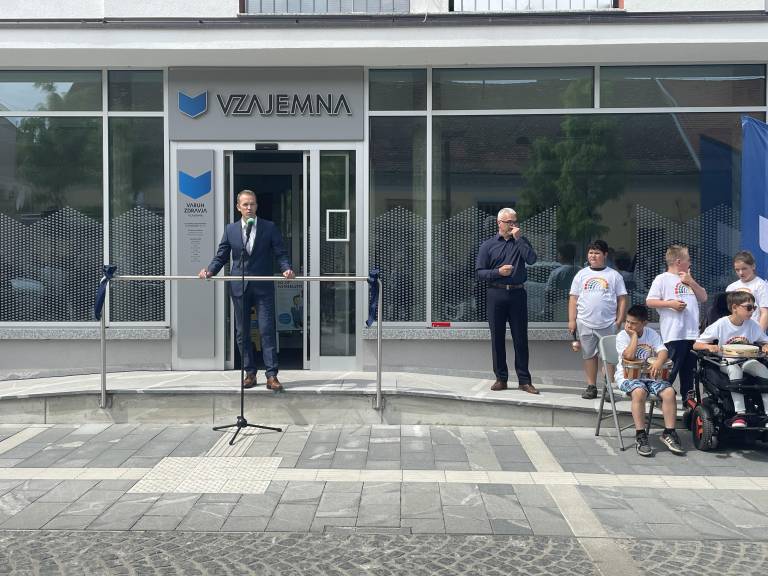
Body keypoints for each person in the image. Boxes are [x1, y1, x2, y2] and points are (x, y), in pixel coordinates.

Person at [199, 189, 294, 391]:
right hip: (239, 286)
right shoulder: (231, 229)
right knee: (242, 332)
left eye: (252, 204)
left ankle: (271, 375)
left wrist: (286, 268)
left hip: (263, 287)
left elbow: (280, 253)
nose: (249, 207)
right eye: (245, 204)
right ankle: (250, 373)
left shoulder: (269, 227)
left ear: (257, 206)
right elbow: (221, 256)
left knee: (267, 330)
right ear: (238, 207)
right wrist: (210, 271)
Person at [476, 207, 539, 394]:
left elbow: (532, 259)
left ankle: (524, 380)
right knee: (497, 337)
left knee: (520, 337)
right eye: (509, 222)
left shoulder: (521, 241)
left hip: (517, 293)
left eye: (515, 221)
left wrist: (519, 239)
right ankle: (501, 378)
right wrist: (498, 272)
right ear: (499, 223)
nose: (513, 225)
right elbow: (479, 272)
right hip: (496, 293)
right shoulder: (488, 245)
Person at [616, 304, 685, 457]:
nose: (629, 325)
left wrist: (659, 362)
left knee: (669, 392)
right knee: (639, 392)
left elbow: (663, 351)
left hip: (650, 377)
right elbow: (629, 356)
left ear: (644, 323)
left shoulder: (651, 333)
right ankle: (640, 435)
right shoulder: (622, 336)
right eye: (627, 322)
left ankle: (669, 432)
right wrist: (634, 336)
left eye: (633, 323)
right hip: (628, 376)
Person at [693, 291, 768, 428]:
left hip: (747, 360)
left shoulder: (752, 325)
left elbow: (764, 341)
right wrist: (709, 347)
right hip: (726, 361)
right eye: (748, 307)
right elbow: (696, 344)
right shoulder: (721, 324)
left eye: (754, 308)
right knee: (734, 369)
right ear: (734, 308)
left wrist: (765, 346)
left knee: (762, 370)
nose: (752, 311)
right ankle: (740, 414)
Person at [646, 244, 707, 402]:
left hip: (692, 333)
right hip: (674, 333)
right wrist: (670, 304)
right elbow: (650, 301)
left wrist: (691, 281)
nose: (690, 263)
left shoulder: (688, 279)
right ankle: (662, 398)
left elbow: (703, 297)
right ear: (679, 261)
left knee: (690, 372)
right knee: (671, 370)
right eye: (688, 260)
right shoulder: (662, 279)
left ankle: (689, 403)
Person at [568, 240, 628, 399]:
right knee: (589, 355)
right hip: (584, 321)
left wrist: (619, 320)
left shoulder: (614, 275)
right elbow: (573, 298)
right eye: (590, 253)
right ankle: (591, 386)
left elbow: (622, 299)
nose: (593, 256)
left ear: (605, 255)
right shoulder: (581, 274)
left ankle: (608, 387)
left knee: (608, 357)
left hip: (608, 323)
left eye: (597, 253)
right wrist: (572, 320)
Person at [726, 250, 768, 332]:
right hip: (733, 333)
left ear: (753, 266)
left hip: (752, 333)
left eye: (744, 268)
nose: (741, 273)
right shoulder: (731, 287)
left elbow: (765, 313)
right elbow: (728, 313)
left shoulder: (761, 285)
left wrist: (758, 335)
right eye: (737, 270)